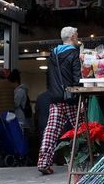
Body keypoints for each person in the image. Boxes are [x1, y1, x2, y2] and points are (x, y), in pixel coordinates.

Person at [34, 26, 83, 175]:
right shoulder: (74, 53)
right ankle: (85, 160)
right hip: (71, 98)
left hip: (55, 98)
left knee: (51, 130)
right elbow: (77, 77)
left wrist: (53, 92)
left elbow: (49, 77)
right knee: (81, 129)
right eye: (76, 35)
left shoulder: (53, 54)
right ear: (72, 37)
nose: (77, 38)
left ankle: (43, 162)